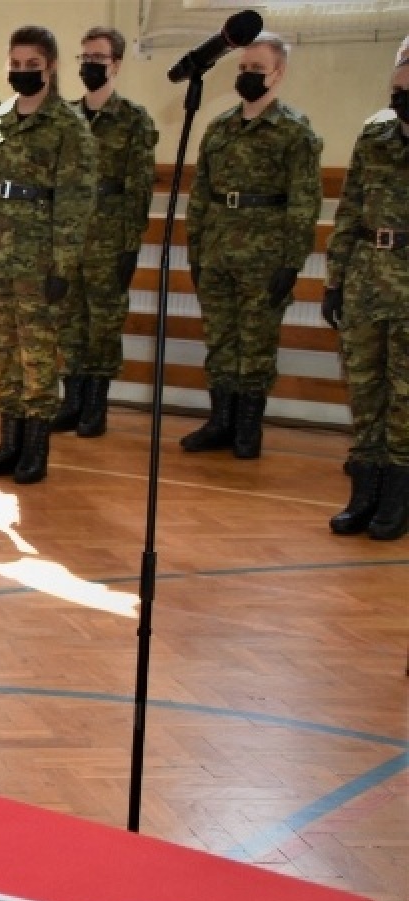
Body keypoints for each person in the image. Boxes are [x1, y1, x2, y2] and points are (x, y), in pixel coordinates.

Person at [0, 25, 96, 484]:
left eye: (31, 66)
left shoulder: (68, 127)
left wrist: (63, 264)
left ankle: (35, 449)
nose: (21, 73)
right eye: (15, 65)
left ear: (51, 66)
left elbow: (75, 203)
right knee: (2, 353)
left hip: (39, 262)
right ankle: (8, 443)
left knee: (36, 355)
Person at [182, 32, 322, 460]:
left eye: (256, 70)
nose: (247, 76)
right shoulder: (219, 127)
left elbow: (304, 201)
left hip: (265, 255)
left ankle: (247, 428)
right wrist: (196, 251)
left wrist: (291, 262)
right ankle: (220, 420)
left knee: (256, 342)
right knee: (221, 339)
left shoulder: (294, 132)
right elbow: (201, 193)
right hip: (218, 248)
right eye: (242, 69)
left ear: (277, 75)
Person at [52, 27, 156, 439]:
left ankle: (96, 404)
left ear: (116, 64)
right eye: (85, 58)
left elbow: (140, 188)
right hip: (69, 237)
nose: (90, 65)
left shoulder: (133, 120)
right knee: (69, 322)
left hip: (110, 238)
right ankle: (72, 400)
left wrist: (131, 245)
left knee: (103, 324)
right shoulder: (65, 117)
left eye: (99, 58)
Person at [321, 56, 409, 541]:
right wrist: (335, 282)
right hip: (367, 281)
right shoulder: (375, 139)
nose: (399, 100)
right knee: (366, 390)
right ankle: (365, 490)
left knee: (405, 397)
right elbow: (350, 210)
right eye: (395, 90)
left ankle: (397, 495)